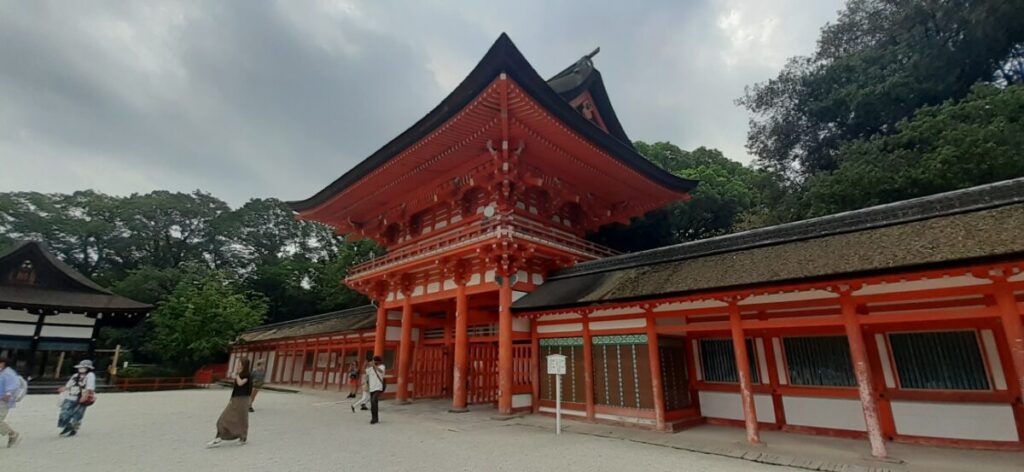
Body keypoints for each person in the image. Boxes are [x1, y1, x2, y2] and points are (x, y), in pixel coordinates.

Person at [208, 358, 251, 448]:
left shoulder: (247, 375)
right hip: (236, 399)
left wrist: (237, 375)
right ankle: (219, 437)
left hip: (243, 399)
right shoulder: (240, 374)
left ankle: (243, 437)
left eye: (240, 363)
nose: (238, 365)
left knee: (242, 418)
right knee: (224, 418)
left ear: (244, 365)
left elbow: (240, 383)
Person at [57, 359, 97, 437]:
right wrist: (64, 388)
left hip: (82, 396)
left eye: (83, 367)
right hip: (71, 395)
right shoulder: (75, 375)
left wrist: (85, 396)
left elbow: (90, 387)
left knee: (78, 413)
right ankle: (67, 425)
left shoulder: (90, 375)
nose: (81, 369)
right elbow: (69, 384)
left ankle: (73, 428)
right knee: (64, 411)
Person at [0, 357, 22, 447]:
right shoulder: (2, 372)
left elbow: (15, 384)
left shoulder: (8, 373)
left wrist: (8, 393)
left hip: (4, 400)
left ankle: (12, 434)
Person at [367, 356, 386, 425]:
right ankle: (374, 418)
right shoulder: (371, 368)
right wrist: (366, 364)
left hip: (378, 387)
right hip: (372, 387)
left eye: (375, 361)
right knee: (373, 403)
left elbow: (380, 371)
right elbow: (366, 373)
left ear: (378, 361)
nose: (373, 362)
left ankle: (375, 418)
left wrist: (374, 366)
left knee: (373, 401)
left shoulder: (382, 367)